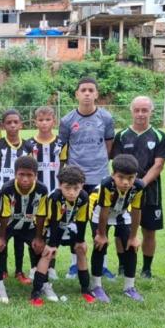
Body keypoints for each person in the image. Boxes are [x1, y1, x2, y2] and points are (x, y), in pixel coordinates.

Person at [59, 77, 115, 279]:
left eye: (91, 90)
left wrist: (100, 164)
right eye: (83, 90)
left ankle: (103, 265)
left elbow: (108, 145)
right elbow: (62, 149)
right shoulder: (67, 121)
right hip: (76, 181)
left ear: (96, 94)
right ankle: (75, 264)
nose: (87, 94)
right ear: (77, 94)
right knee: (75, 222)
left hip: (100, 177)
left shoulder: (106, 118)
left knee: (100, 223)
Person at [111, 96, 165, 278]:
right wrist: (128, 184)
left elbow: (159, 164)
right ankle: (123, 266)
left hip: (150, 191)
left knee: (149, 230)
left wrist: (141, 183)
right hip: (124, 190)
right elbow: (117, 163)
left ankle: (146, 269)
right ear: (131, 111)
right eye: (137, 110)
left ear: (151, 111)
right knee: (122, 229)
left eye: (144, 110)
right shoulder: (122, 135)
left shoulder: (159, 135)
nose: (140, 114)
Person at [30, 165, 94, 306]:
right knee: (48, 254)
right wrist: (52, 244)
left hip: (69, 225)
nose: (72, 192)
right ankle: (36, 291)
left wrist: (80, 240)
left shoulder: (83, 197)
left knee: (81, 251)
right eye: (67, 188)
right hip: (51, 227)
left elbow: (82, 220)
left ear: (82, 186)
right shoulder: (55, 197)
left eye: (76, 188)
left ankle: (85, 289)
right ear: (60, 185)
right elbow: (54, 221)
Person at [90, 155, 145, 302]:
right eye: (121, 177)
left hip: (121, 212)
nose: (126, 182)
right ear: (113, 174)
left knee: (131, 246)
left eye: (130, 178)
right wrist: (102, 235)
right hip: (99, 212)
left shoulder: (139, 186)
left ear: (136, 176)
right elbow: (104, 210)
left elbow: (136, 210)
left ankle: (129, 287)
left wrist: (133, 237)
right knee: (100, 245)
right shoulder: (107, 184)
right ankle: (96, 286)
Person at [0, 156, 48, 304]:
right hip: (6, 224)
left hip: (28, 224)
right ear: (15, 174)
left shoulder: (42, 189)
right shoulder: (7, 188)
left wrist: (38, 238)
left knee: (40, 249)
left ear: (36, 175)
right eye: (21, 174)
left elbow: (41, 214)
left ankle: (42, 283)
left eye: (29, 175)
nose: (25, 179)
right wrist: (1, 237)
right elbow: (4, 214)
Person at [23, 106, 67, 281]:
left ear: (54, 121)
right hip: (36, 194)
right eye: (41, 120)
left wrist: (62, 189)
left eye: (48, 120)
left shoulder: (61, 143)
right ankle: (34, 266)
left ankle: (51, 266)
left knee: (53, 229)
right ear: (35, 122)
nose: (44, 123)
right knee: (35, 230)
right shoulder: (29, 144)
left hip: (55, 193)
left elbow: (63, 167)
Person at [0, 109, 26, 281]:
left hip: (23, 194)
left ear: (21, 125)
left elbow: (32, 169)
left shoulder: (28, 147)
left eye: (15, 122)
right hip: (2, 194)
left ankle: (19, 270)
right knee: (1, 231)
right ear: (3, 126)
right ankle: (2, 269)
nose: (12, 125)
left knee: (20, 232)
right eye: (9, 122)